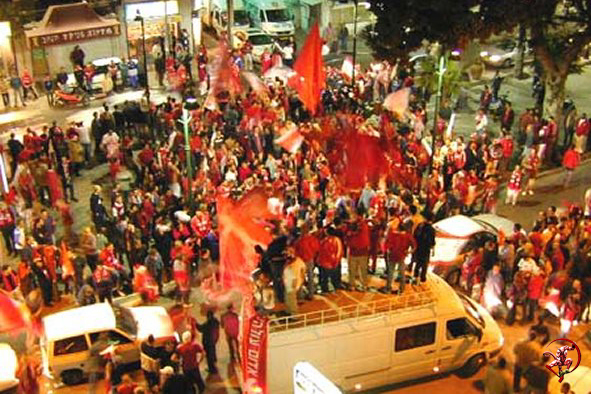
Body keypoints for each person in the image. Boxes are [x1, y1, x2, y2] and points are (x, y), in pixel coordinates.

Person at [383, 219, 416, 294]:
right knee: (401, 273)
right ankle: (401, 289)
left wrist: (388, 250)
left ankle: (388, 288)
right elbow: (414, 246)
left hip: (392, 255)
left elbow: (387, 244)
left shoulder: (393, 234)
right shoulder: (408, 236)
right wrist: (408, 251)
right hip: (402, 255)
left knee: (390, 272)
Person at [412, 212, 436, 286]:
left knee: (418, 262)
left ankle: (415, 276)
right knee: (424, 263)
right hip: (426, 248)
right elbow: (432, 241)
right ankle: (423, 278)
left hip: (419, 247)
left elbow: (415, 235)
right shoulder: (432, 229)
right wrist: (433, 249)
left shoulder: (420, 226)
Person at [195, 310, 220, 374]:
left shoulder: (208, 323)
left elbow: (200, 328)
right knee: (212, 353)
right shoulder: (216, 321)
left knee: (209, 356)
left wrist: (195, 323)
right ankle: (214, 365)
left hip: (207, 342)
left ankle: (212, 369)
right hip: (213, 340)